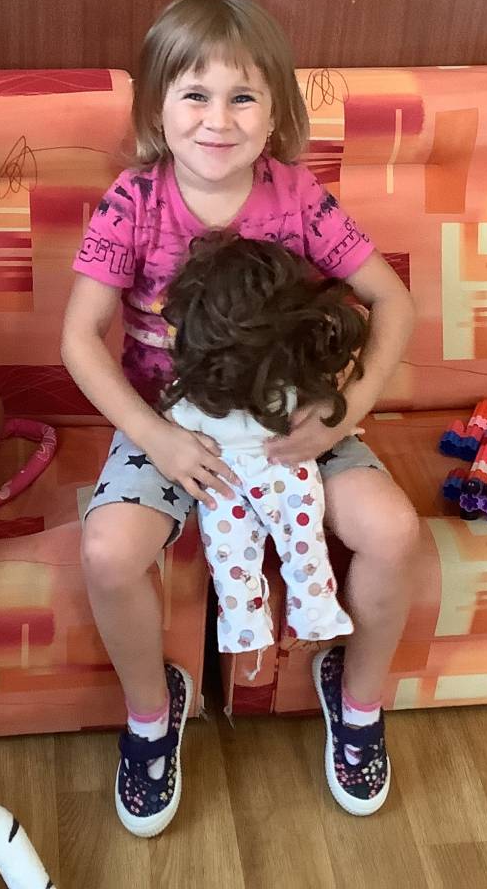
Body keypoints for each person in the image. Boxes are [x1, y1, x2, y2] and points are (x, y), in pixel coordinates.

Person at [60, 0, 420, 836]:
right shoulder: (133, 201)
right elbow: (78, 338)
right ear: (156, 108)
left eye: (242, 97)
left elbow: (392, 302)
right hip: (170, 428)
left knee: (394, 531)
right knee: (108, 552)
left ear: (276, 113)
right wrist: (156, 438)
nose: (218, 120)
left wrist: (345, 411)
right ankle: (152, 713)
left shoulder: (296, 197)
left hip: (292, 420)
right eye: (195, 95)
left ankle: (356, 699)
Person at [159, 233, 365, 658]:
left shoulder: (277, 384)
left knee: (258, 551)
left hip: (253, 474)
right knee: (265, 550)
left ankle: (277, 620)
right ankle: (274, 620)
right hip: (248, 476)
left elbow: (172, 418)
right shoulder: (211, 393)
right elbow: (171, 423)